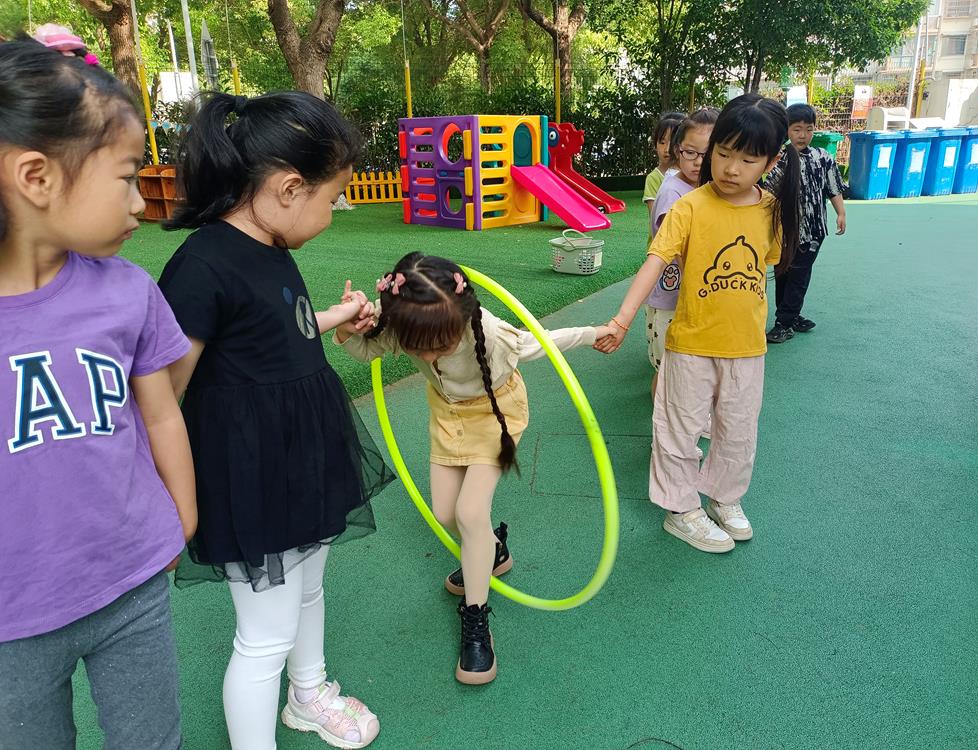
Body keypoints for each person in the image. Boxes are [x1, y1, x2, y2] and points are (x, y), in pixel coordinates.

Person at [159, 91, 394, 750]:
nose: (333, 212)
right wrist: (168, 492)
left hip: (302, 454)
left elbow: (274, 329)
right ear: (290, 188)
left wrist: (335, 317)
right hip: (252, 473)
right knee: (264, 636)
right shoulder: (202, 264)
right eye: (332, 198)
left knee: (309, 586)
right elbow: (162, 393)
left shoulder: (270, 243)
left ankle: (308, 694)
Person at [0, 39, 195, 749]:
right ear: (37, 176)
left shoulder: (128, 292)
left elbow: (161, 413)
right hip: (12, 622)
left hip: (131, 582)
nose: (142, 202)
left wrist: (181, 518)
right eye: (125, 177)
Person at [335, 253, 612, 685]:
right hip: (448, 418)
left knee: (469, 513)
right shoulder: (406, 324)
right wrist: (345, 329)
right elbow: (365, 350)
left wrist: (595, 333)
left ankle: (477, 617)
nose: (428, 354)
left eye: (439, 345)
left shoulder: (491, 333)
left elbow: (541, 341)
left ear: (462, 321)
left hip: (498, 414)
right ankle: (492, 552)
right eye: (418, 347)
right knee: (446, 512)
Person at [595, 94, 800, 553]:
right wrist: (621, 320)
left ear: (770, 162)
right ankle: (681, 509)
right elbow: (655, 260)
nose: (731, 169)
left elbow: (764, 263)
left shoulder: (770, 210)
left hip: (747, 347)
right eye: (723, 154)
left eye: (748, 160)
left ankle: (725, 497)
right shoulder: (690, 206)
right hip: (690, 344)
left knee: (738, 430)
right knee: (679, 428)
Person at [644, 108, 719, 397]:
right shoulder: (673, 191)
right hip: (673, 298)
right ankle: (662, 420)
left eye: (707, 154)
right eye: (691, 153)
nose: (699, 161)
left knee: (689, 369)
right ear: (678, 150)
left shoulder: (708, 187)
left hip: (693, 294)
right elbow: (675, 248)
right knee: (668, 369)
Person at [764, 103, 847, 343]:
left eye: (809, 129)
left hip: (813, 231)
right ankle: (790, 315)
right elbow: (767, 193)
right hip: (784, 230)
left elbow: (833, 188)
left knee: (799, 274)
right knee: (783, 273)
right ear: (787, 130)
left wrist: (840, 212)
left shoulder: (823, 158)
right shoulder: (780, 159)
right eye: (797, 129)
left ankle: (785, 322)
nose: (803, 135)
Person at [643, 111, 686, 216]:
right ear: (655, 144)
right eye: (662, 142)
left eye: (673, 142)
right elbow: (655, 217)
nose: (667, 149)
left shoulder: (690, 174)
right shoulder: (653, 178)